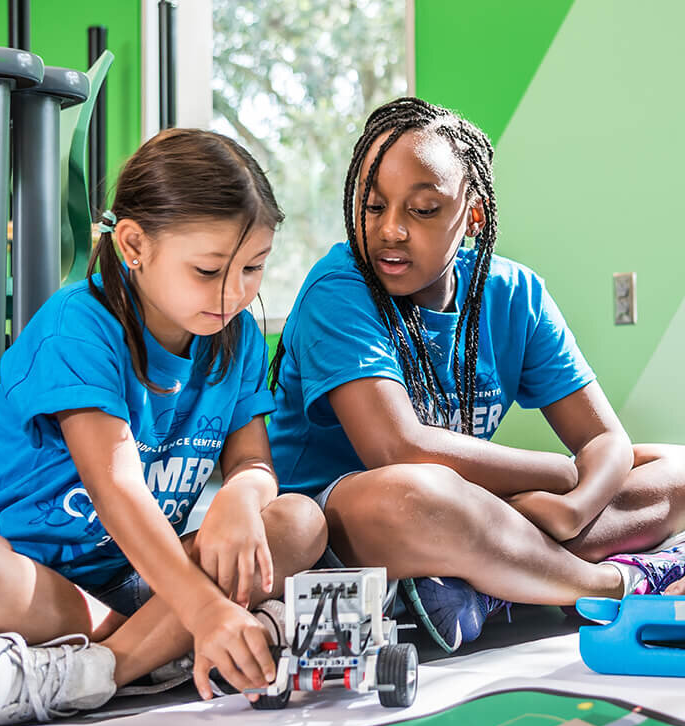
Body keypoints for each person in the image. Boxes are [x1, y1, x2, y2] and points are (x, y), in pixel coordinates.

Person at [0, 129, 327, 726]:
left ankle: (97, 672)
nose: (234, 293)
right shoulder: (78, 326)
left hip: (144, 581)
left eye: (254, 268)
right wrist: (204, 608)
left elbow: (254, 464)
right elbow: (116, 488)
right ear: (133, 245)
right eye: (207, 270)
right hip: (26, 597)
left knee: (299, 520)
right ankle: (169, 646)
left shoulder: (239, 338)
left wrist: (240, 495)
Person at [267, 96, 685, 653]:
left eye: (423, 209)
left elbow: (605, 439)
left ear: (474, 215)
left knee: (676, 467)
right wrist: (562, 474)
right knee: (416, 493)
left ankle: (486, 585)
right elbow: (396, 449)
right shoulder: (338, 288)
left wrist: (575, 507)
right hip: (344, 523)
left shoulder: (514, 293)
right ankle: (615, 584)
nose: (390, 229)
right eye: (373, 207)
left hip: (470, 514)